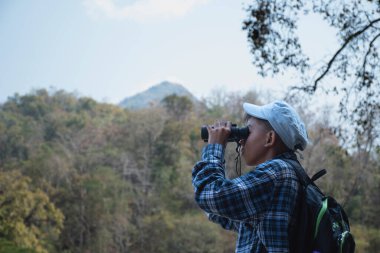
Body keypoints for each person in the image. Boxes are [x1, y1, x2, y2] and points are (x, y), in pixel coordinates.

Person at [192, 100, 309, 253]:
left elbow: (210, 196)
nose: (241, 140)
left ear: (269, 138)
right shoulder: (289, 173)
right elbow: (227, 214)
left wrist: (215, 148)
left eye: (248, 132)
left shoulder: (277, 172)